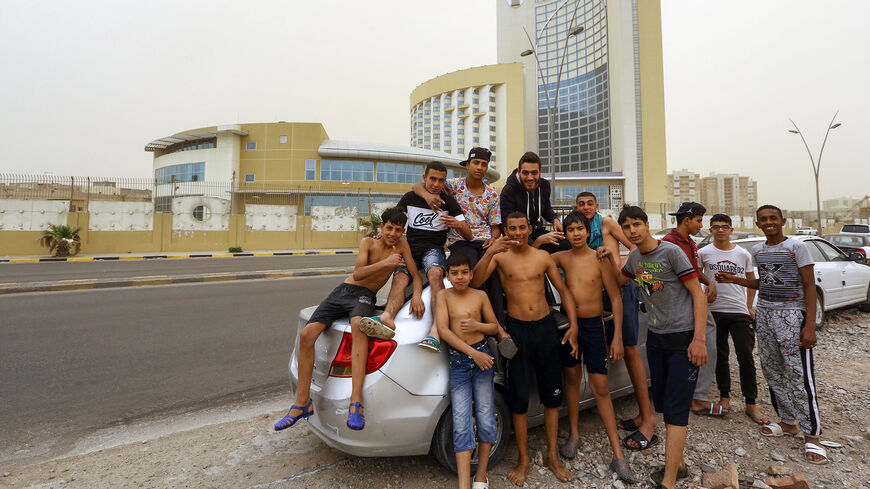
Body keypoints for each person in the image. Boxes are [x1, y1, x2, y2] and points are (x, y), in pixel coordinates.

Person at [274, 207, 423, 432]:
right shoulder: (368, 243)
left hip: (364, 296)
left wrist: (418, 294)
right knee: (307, 335)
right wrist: (386, 264)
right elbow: (359, 273)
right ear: (381, 227)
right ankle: (302, 403)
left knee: (358, 328)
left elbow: (414, 274)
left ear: (403, 232)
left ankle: (356, 404)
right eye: (389, 228)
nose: (393, 233)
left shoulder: (402, 247)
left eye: (398, 230)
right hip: (343, 291)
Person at [599, 206, 708, 489]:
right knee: (662, 405)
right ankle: (679, 463)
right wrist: (611, 257)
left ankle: (669, 481)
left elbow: (698, 294)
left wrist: (698, 340)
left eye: (637, 224)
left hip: (683, 339)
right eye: (627, 227)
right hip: (657, 340)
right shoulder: (636, 258)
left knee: (675, 412)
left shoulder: (671, 251)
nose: (632, 230)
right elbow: (624, 279)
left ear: (647, 225)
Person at [471, 212, 578, 487]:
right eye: (512, 229)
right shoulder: (500, 256)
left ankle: (552, 456)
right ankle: (523, 459)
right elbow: (475, 281)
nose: (517, 233)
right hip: (516, 331)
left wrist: (573, 325)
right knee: (518, 399)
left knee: (552, 396)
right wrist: (491, 249)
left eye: (522, 228)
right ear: (505, 230)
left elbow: (564, 291)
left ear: (529, 229)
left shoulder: (542, 257)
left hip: (544, 329)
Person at [716, 205, 826, 465]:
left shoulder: (797, 248)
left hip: (791, 315)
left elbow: (810, 286)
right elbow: (765, 282)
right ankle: (788, 422)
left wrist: (809, 325)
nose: (768, 223)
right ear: (758, 224)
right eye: (763, 219)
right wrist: (736, 280)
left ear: (783, 221)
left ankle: (813, 435)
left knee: (799, 374)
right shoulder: (758, 251)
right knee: (772, 370)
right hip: (765, 314)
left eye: (772, 218)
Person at [552, 211, 637, 483]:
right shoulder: (560, 258)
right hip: (570, 326)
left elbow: (616, 298)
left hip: (594, 326)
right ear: (564, 234)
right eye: (570, 230)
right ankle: (574, 434)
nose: (576, 234)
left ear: (588, 232)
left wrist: (617, 338)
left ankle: (617, 454)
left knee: (601, 388)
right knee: (573, 380)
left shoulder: (598, 258)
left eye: (580, 229)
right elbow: (531, 256)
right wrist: (542, 237)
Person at [573, 191, 657, 450]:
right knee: (610, 351)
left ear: (596, 206)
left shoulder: (606, 222)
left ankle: (649, 419)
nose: (586, 207)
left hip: (620, 289)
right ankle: (641, 414)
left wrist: (622, 267)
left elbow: (633, 248)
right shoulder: (579, 230)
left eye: (590, 203)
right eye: (581, 204)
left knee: (630, 349)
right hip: (599, 294)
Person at [372, 161, 472, 353]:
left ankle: (436, 330)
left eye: (441, 180)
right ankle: (387, 318)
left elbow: (468, 234)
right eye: (432, 178)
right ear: (424, 177)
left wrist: (458, 224)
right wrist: (381, 235)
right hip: (409, 249)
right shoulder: (411, 197)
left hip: (433, 249)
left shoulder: (449, 202)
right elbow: (394, 221)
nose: (436, 184)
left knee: (435, 274)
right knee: (400, 278)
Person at [410, 148, 504, 325]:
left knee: (494, 275)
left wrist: (494, 237)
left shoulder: (492, 194)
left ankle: (497, 325)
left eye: (484, 164)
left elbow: (495, 226)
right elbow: (418, 186)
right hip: (460, 240)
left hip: (484, 241)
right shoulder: (452, 185)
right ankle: (471, 322)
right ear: (467, 165)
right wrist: (427, 197)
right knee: (472, 274)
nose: (479, 167)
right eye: (476, 163)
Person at [435, 253, 500, 489]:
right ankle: (463, 483)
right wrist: (473, 354)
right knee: (461, 423)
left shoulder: (480, 295)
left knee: (485, 417)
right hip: (460, 363)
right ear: (448, 276)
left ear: (471, 274)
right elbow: (443, 330)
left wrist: (476, 326)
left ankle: (481, 475)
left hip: (483, 361)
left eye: (464, 272)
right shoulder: (443, 296)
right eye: (455, 273)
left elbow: (493, 326)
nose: (460, 277)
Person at [698, 214, 766, 424]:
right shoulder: (703, 253)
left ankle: (751, 403)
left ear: (731, 230)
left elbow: (751, 281)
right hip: (714, 311)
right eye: (716, 227)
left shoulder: (742, 253)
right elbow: (695, 277)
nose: (720, 230)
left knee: (745, 356)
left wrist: (748, 307)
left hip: (738, 311)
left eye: (724, 227)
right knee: (720, 356)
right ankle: (724, 397)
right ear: (710, 230)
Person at [662, 202, 723, 417]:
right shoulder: (670, 244)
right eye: (698, 220)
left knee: (703, 345)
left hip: (693, 297)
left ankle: (696, 394)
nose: (701, 225)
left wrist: (709, 282)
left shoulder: (688, 242)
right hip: (685, 301)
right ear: (686, 220)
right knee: (704, 344)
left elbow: (694, 270)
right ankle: (697, 398)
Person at [499, 152, 568, 253]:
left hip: (537, 231)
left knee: (567, 244)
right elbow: (506, 224)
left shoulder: (544, 185)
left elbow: (546, 208)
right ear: (519, 172)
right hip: (518, 236)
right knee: (537, 253)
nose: (530, 178)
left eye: (534, 173)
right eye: (525, 173)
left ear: (540, 172)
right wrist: (537, 243)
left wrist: (554, 219)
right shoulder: (508, 191)